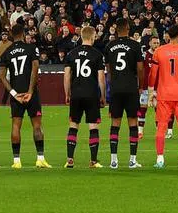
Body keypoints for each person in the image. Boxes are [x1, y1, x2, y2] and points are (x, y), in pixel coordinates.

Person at [0, 24, 49, 169]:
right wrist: (30, 91)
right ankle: (40, 159)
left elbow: (1, 76)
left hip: (17, 95)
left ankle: (16, 161)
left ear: (11, 34)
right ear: (23, 33)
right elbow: (35, 68)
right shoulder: (31, 48)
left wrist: (14, 94)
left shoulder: (6, 52)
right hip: (31, 93)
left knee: (16, 126)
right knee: (37, 126)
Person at [146, 25, 178, 168]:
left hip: (164, 94)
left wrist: (151, 92)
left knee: (161, 126)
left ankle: (160, 159)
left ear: (168, 35)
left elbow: (153, 74)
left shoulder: (159, 51)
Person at [62, 25, 106, 168]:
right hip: (91, 94)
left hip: (76, 93)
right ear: (93, 37)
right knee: (93, 126)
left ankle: (70, 159)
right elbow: (101, 78)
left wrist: (67, 93)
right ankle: (93, 161)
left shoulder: (71, 54)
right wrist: (103, 96)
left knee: (73, 125)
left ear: (81, 36)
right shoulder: (97, 55)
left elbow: (67, 76)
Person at [105, 18, 145, 168]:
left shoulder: (110, 46)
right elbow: (140, 68)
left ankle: (113, 160)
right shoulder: (135, 45)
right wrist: (140, 86)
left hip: (116, 88)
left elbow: (108, 70)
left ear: (116, 29)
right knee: (133, 123)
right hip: (130, 87)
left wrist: (112, 85)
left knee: (115, 123)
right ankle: (132, 160)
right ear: (128, 28)